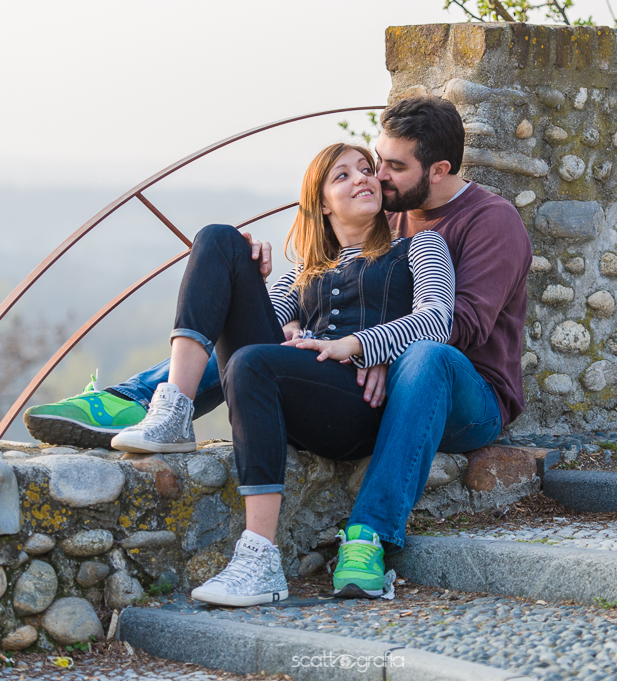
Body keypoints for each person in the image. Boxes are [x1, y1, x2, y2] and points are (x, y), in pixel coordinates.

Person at [23, 95, 532, 601]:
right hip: (363, 373)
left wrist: (372, 350)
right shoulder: (387, 209)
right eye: (367, 165)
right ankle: (152, 403)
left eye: (390, 167)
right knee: (224, 248)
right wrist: (268, 302)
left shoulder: (486, 223)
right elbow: (314, 292)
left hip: (465, 392)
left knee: (425, 355)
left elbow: (451, 324)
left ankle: (367, 534)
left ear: (438, 170)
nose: (374, 177)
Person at [98, 141, 455, 606]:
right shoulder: (305, 269)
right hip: (298, 396)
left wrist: (360, 345)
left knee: (251, 362)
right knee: (221, 239)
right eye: (342, 175)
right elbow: (267, 322)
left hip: (357, 409)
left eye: (366, 169)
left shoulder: (419, 245)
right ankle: (174, 410)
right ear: (321, 204)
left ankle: (259, 558)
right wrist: (255, 279)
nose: (363, 178)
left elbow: (436, 319)